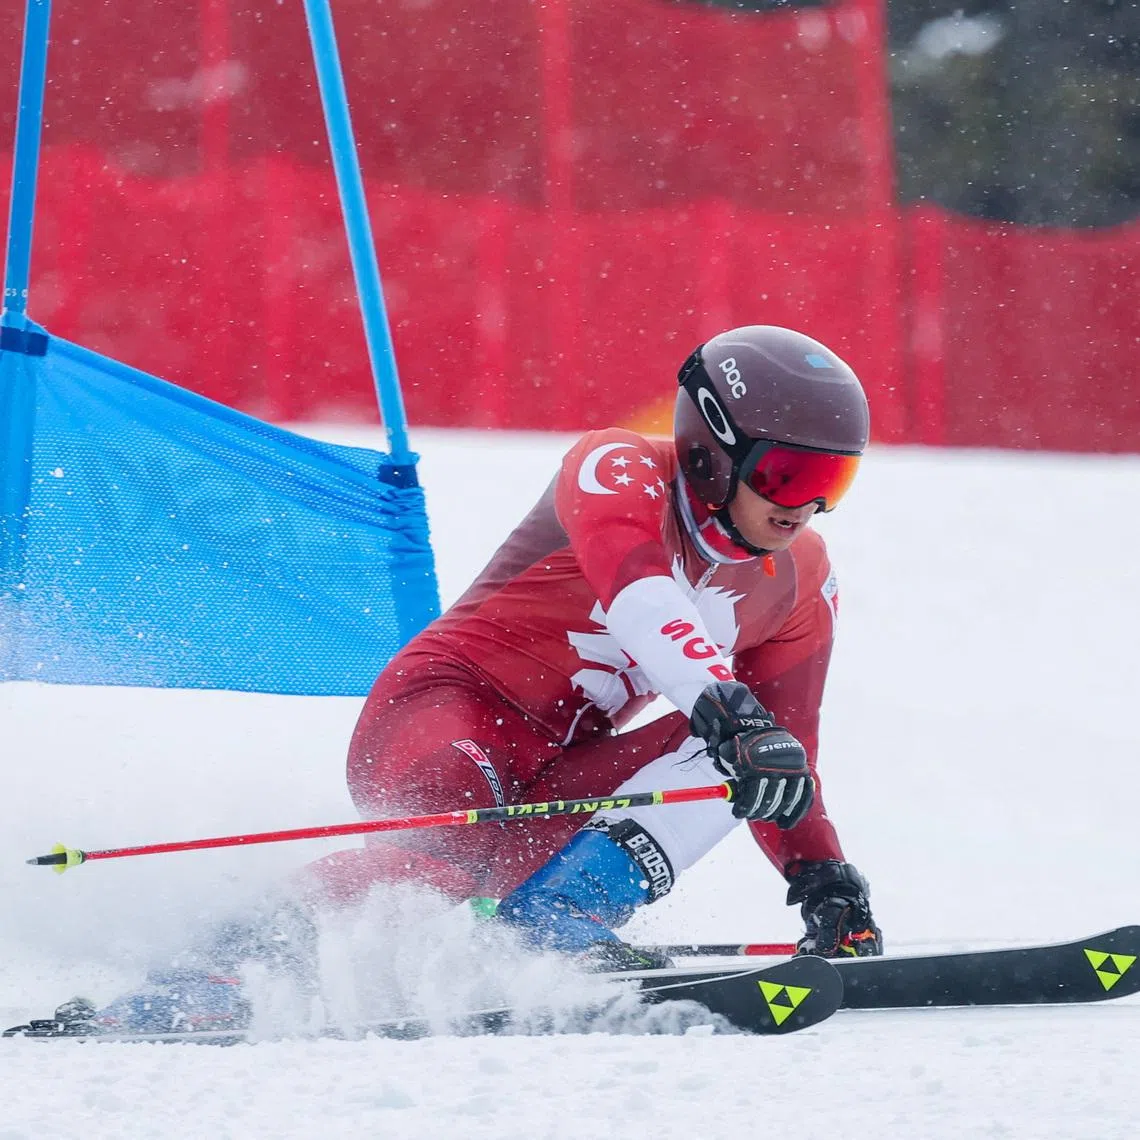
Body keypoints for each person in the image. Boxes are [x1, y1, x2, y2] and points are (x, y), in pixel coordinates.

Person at [298, 323, 883, 967]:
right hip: (443, 715)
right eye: (787, 474)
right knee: (446, 873)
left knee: (758, 750)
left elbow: (783, 753)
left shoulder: (803, 579)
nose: (808, 506)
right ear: (714, 448)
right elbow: (642, 596)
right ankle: (240, 939)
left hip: (562, 772)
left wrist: (821, 878)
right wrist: (729, 709)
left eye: (835, 479)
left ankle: (564, 914)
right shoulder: (618, 467)